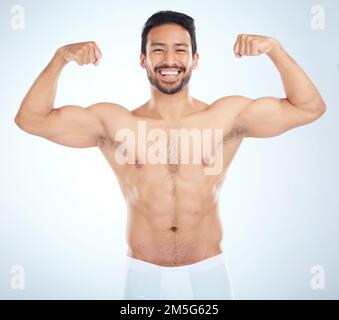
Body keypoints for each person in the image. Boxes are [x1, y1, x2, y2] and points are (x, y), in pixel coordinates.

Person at [14, 10, 326, 299]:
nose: (169, 60)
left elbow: (309, 107)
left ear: (195, 59)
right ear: (143, 59)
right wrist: (60, 58)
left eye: (180, 50)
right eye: (158, 49)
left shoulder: (227, 115)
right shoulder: (115, 122)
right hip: (143, 272)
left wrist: (275, 49)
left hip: (208, 270)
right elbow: (32, 119)